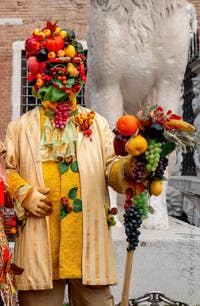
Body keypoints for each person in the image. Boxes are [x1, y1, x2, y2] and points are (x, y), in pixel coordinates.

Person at [4, 21, 128, 306]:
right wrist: (25, 193)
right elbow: (4, 171)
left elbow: (113, 169)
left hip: (89, 248)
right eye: (57, 70)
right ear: (41, 75)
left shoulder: (97, 124)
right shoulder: (20, 128)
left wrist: (131, 167)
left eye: (71, 68)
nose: (66, 76)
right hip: (39, 248)